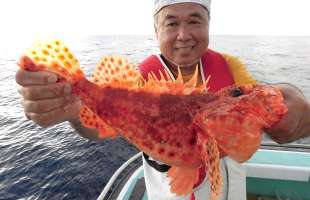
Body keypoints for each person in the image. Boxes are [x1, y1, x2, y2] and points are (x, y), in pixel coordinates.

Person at [15, 0, 310, 199]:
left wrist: (291, 98)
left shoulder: (230, 67)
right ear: (156, 30)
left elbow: (258, 94)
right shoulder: (141, 80)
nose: (183, 35)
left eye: (195, 20)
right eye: (171, 24)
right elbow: (100, 127)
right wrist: (73, 112)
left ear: (208, 24)